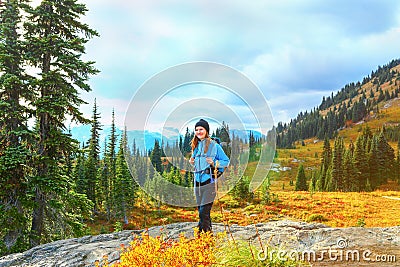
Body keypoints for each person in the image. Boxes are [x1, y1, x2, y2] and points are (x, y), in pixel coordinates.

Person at [189, 119, 230, 232]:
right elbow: (199, 163)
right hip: (197, 181)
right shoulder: (196, 146)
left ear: (206, 130)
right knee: (202, 212)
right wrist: (192, 162)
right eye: (196, 130)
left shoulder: (215, 146)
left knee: (204, 211)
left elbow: (226, 161)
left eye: (201, 129)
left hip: (209, 182)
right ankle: (204, 237)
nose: (198, 132)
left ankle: (205, 237)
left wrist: (214, 163)